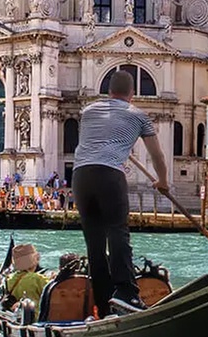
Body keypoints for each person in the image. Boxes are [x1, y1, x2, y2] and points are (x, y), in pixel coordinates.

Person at [72, 70, 168, 315]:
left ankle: (104, 305)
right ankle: (126, 294)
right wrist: (163, 181)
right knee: (118, 232)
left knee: (94, 242)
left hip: (81, 176)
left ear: (108, 91)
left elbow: (94, 141)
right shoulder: (138, 116)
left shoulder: (88, 111)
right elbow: (157, 155)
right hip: (109, 174)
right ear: (132, 94)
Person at [4, 244, 50, 311]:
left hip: (19, 315)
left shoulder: (10, 279)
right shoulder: (38, 279)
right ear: (36, 258)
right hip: (37, 317)